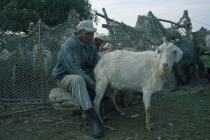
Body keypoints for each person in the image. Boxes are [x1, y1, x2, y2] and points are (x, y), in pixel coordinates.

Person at [52, 20, 104, 138]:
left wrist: (104, 77)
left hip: (83, 75)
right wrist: (94, 85)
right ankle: (94, 120)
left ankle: (102, 104)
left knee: (102, 69)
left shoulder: (91, 45)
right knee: (78, 79)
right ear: (80, 32)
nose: (91, 37)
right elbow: (75, 70)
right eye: (88, 34)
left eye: (92, 34)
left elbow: (97, 63)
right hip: (65, 77)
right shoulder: (70, 45)